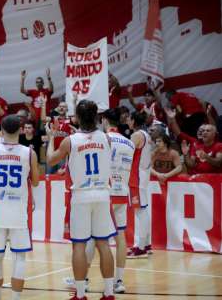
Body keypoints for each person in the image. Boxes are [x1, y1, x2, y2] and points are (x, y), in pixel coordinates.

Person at [47, 100, 116, 300]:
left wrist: (52, 139)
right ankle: (109, 292)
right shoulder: (106, 138)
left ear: (76, 117)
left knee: (78, 245)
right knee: (103, 244)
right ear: (96, 116)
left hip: (81, 196)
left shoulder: (70, 140)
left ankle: (79, 294)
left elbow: (51, 159)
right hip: (102, 194)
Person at [0, 115, 39, 300]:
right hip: (18, 211)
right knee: (19, 257)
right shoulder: (29, 153)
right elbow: (37, 182)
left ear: (1, 129)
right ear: (21, 130)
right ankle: (15, 298)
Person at [103, 108, 135, 293]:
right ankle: (119, 281)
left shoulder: (101, 138)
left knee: (94, 238)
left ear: (105, 120)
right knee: (120, 237)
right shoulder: (130, 143)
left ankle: (84, 279)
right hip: (122, 191)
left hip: (105, 192)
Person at [126, 111, 153, 258]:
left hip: (136, 176)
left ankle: (141, 247)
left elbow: (126, 154)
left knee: (140, 212)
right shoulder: (146, 134)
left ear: (133, 120)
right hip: (143, 174)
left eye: (129, 118)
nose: (127, 121)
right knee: (143, 211)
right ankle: (146, 244)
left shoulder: (136, 135)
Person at [165, 107, 222, 174]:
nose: (203, 132)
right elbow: (191, 164)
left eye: (206, 131)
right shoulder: (195, 143)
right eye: (201, 130)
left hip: (212, 179)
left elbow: (219, 163)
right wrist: (186, 154)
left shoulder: (218, 145)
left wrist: (207, 157)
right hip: (197, 178)